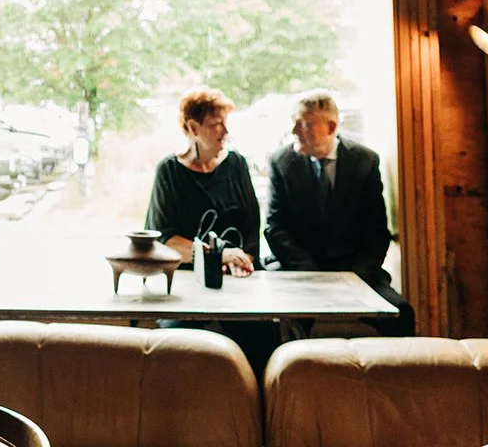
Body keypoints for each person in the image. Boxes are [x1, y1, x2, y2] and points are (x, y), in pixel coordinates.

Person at [144, 87, 277, 374]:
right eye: (216, 124)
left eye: (225, 123)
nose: (225, 131)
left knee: (262, 336)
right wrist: (216, 256)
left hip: (239, 280)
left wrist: (242, 260)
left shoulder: (237, 164)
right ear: (193, 128)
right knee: (177, 346)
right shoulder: (169, 171)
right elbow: (164, 239)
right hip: (187, 285)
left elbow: (252, 228)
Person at [264, 90, 415, 335]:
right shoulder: (282, 162)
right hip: (299, 269)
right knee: (272, 321)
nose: (294, 131)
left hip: (355, 270)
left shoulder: (364, 161)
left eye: (304, 124)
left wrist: (353, 278)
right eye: (294, 122)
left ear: (331, 127)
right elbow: (275, 228)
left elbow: (376, 231)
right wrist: (312, 275)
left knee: (401, 313)